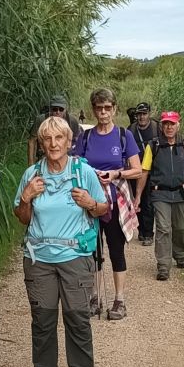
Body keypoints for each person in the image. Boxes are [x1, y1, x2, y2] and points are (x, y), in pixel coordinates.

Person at [14, 116, 109, 367]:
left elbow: (103, 207)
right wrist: (26, 197)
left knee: (77, 317)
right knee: (42, 319)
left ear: (69, 142)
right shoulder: (32, 175)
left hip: (75, 256)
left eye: (59, 138)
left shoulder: (84, 172)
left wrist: (90, 203)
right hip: (39, 258)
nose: (53, 144)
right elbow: (22, 218)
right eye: (47, 139)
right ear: (41, 144)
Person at [75, 88, 142, 320]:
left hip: (115, 201)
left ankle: (119, 300)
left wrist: (115, 174)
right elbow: (76, 164)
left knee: (116, 249)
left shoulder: (124, 136)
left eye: (107, 108)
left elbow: (137, 170)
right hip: (91, 202)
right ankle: (94, 297)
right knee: (92, 250)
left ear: (114, 109)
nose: (103, 112)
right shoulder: (86, 137)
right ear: (93, 110)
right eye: (99, 108)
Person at [136, 111, 184, 281]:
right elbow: (144, 171)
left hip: (182, 193)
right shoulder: (153, 146)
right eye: (165, 124)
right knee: (163, 228)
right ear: (161, 126)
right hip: (160, 194)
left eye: (172, 124)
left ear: (178, 125)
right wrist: (138, 195)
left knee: (180, 228)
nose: (169, 127)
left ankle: (180, 254)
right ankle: (163, 265)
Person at [128, 102, 160, 246]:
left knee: (148, 202)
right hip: (135, 169)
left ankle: (148, 234)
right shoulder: (131, 130)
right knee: (137, 200)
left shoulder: (156, 127)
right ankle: (141, 231)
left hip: (152, 170)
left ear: (149, 114)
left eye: (144, 114)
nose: (141, 117)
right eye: (139, 114)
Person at [28, 95, 82, 163]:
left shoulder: (71, 121)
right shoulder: (41, 120)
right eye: (55, 109)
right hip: (44, 157)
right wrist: (31, 162)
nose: (58, 112)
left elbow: (78, 140)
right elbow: (32, 141)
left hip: (66, 158)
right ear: (50, 109)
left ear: (65, 109)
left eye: (61, 109)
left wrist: (77, 156)